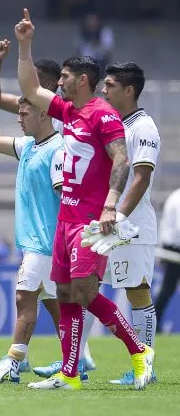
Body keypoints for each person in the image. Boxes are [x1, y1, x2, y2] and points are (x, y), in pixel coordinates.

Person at [15, 8, 154, 391]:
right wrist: (25, 45)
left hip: (90, 220)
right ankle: (70, 373)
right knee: (63, 293)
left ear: (82, 80)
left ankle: (140, 350)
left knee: (85, 292)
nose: (56, 82)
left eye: (62, 77)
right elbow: (30, 89)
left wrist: (110, 203)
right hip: (65, 217)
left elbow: (122, 159)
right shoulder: (69, 111)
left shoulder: (103, 115)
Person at [0, 79, 63, 384]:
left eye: (24, 112)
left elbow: (66, 198)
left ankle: (13, 363)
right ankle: (73, 362)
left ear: (43, 114)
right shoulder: (28, 146)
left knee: (23, 298)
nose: (19, 117)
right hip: (37, 243)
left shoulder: (57, 150)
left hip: (47, 243)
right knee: (55, 305)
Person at [96, 62, 161, 386]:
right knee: (81, 287)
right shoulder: (116, 126)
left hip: (131, 228)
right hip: (109, 226)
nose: (104, 91)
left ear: (129, 90)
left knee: (137, 292)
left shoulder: (143, 128)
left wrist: (118, 216)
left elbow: (141, 177)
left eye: (109, 85)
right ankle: (77, 361)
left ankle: (144, 363)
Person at [154, 187, 180, 331]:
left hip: (169, 245)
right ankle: (155, 323)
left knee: (167, 289)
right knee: (167, 289)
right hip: (175, 248)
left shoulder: (174, 195)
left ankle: (155, 323)